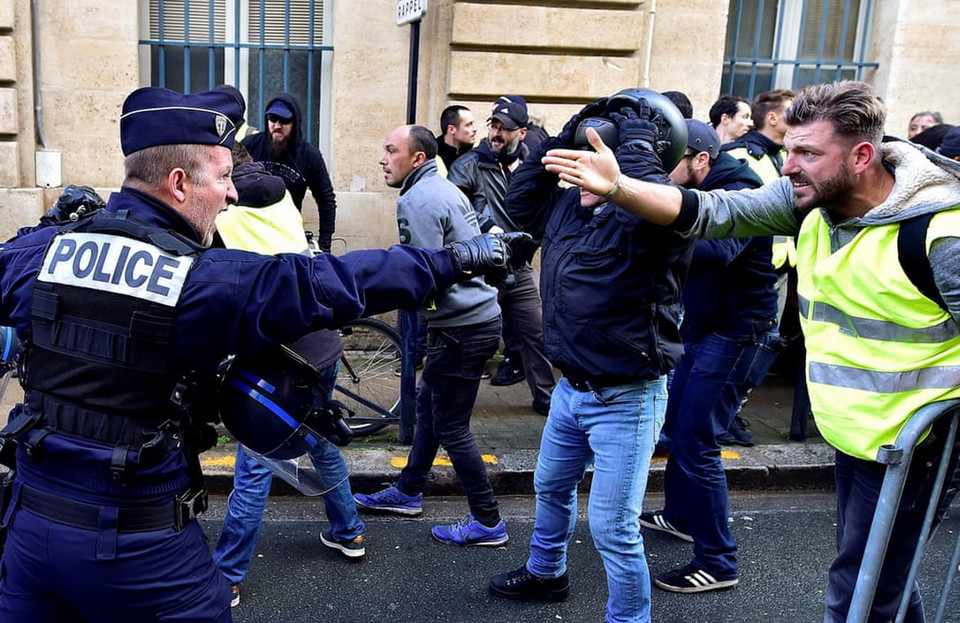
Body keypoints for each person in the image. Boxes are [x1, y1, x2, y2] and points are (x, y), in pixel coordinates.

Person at [0, 86, 524, 622]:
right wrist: (456, 258)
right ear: (179, 183)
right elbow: (328, 281)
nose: (230, 195)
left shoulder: (44, 254)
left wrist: (51, 226)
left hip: (27, 535)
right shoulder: (197, 281)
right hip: (138, 548)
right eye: (223, 177)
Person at [541, 79, 960, 623]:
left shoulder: (939, 234)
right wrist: (620, 187)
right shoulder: (809, 200)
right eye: (789, 150)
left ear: (861, 156)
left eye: (808, 153)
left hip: (919, 445)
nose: (788, 167)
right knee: (882, 586)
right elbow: (707, 210)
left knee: (861, 589)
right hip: (859, 437)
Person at [487, 91, 692, 623]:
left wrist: (638, 148)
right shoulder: (565, 208)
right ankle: (546, 573)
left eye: (595, 169)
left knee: (612, 527)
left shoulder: (651, 224)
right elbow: (519, 198)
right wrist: (565, 133)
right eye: (578, 168)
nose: (582, 180)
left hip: (627, 397)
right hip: (572, 390)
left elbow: (657, 201)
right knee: (550, 485)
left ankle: (629, 618)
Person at [211, 143, 364, 609]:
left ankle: (228, 575)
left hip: (282, 359)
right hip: (322, 344)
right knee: (318, 439)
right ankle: (350, 531)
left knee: (256, 462)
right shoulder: (281, 195)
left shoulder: (223, 210)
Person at [639, 119, 781, 594]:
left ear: (701, 159)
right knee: (677, 430)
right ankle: (681, 517)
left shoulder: (742, 191)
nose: (664, 174)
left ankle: (719, 561)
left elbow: (717, 254)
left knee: (699, 442)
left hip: (739, 336)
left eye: (671, 162)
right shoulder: (703, 187)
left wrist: (657, 228)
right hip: (703, 331)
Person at [354, 125, 507, 546]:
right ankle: (407, 491)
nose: (383, 159)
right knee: (427, 408)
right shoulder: (445, 188)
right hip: (469, 321)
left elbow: (422, 275)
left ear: (416, 158)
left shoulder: (417, 199)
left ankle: (488, 521)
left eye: (390, 151)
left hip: (463, 326)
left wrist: (411, 313)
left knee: (453, 427)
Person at [448, 95, 555, 415]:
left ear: (521, 133)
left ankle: (547, 401)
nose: (496, 133)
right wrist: (487, 226)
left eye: (504, 128)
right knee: (474, 339)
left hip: (519, 268)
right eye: (493, 125)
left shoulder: (533, 164)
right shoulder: (469, 165)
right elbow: (455, 209)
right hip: (483, 270)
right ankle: (453, 405)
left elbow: (545, 202)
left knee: (538, 332)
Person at [721, 88, 797, 445]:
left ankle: (732, 411)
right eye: (791, 112)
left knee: (764, 348)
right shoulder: (742, 156)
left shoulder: (782, 156)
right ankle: (723, 415)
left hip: (780, 271)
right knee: (742, 349)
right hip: (748, 273)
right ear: (772, 117)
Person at [241, 92, 337, 253]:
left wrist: (325, 245)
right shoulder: (250, 146)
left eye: (284, 120)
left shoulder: (309, 155)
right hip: (248, 236)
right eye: (272, 118)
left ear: (295, 122)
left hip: (286, 239)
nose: (277, 125)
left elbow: (326, 200)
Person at [435, 105, 477, 174]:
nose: (474, 129)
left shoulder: (477, 152)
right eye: (468, 125)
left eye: (472, 124)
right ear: (451, 129)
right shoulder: (431, 155)